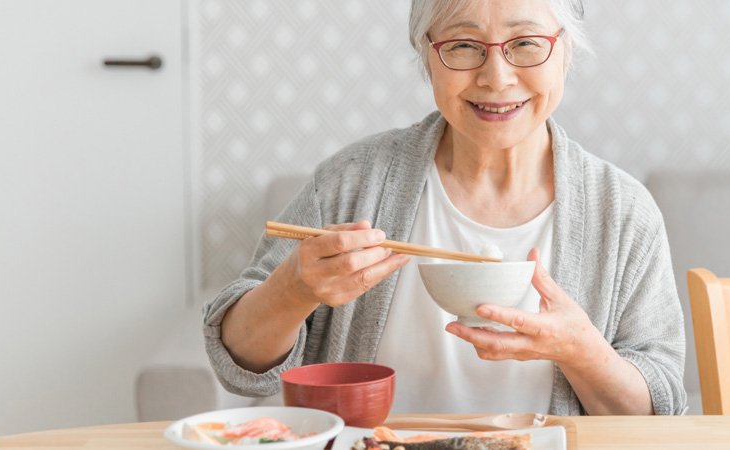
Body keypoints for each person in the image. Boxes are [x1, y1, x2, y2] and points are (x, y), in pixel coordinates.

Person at [203, 0, 686, 416]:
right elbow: (237, 366)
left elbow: (659, 409)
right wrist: (294, 287)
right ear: (426, 54)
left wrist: (581, 352)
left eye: (525, 44)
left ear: (565, 52)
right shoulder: (353, 180)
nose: (496, 78)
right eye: (462, 45)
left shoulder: (621, 211)